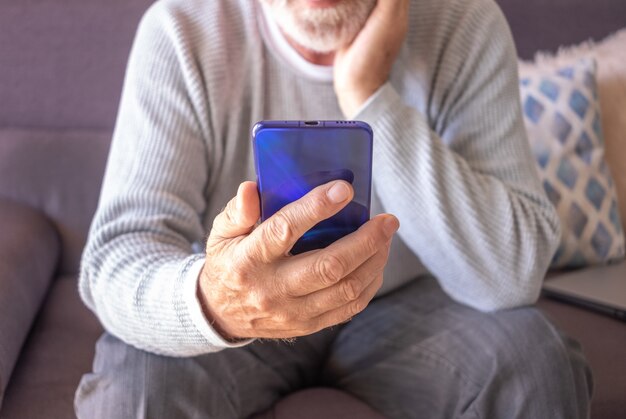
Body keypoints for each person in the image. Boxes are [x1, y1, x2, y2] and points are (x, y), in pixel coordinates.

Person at [75, 0, 592, 417]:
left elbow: (513, 274)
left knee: (538, 364)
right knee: (134, 387)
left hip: (407, 308)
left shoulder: (465, 21)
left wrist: (370, 98)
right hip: (238, 321)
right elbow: (118, 256)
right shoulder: (182, 29)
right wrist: (217, 301)